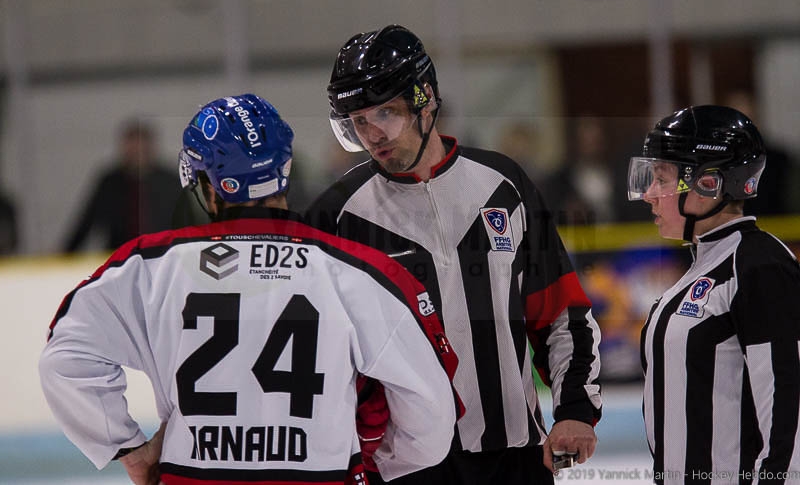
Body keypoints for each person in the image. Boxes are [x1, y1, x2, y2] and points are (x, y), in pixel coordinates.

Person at [40, 93, 461, 485]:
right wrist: (376, 464)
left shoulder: (151, 268)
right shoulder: (361, 273)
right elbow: (431, 411)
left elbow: (66, 358)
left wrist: (128, 448)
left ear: (209, 183)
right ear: (283, 170)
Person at [305, 24, 602, 485]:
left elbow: (561, 313)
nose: (373, 135)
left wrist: (576, 409)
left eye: (386, 113)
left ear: (425, 100)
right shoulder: (336, 216)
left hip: (514, 457)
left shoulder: (505, 186)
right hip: (401, 469)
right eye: (358, 122)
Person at [627, 105, 800, 484]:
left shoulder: (759, 266)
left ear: (709, 183)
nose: (649, 195)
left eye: (661, 179)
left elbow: (790, 413)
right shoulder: (701, 265)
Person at [62, 119, 182, 253]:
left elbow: (187, 221)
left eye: (141, 148)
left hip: (162, 255)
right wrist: (65, 256)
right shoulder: (110, 182)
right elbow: (87, 222)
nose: (137, 153)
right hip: (119, 256)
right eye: (133, 149)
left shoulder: (169, 181)